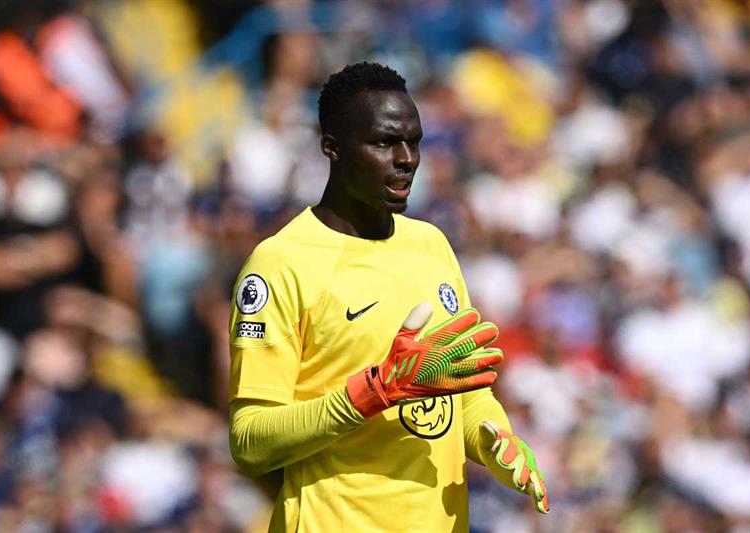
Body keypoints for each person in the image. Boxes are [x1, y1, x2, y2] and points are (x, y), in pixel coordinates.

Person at [228, 62, 549, 532]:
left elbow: (465, 392)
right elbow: (250, 440)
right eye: (383, 142)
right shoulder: (281, 264)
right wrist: (372, 392)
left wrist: (493, 439)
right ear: (332, 149)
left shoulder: (431, 246)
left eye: (413, 141)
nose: (406, 158)